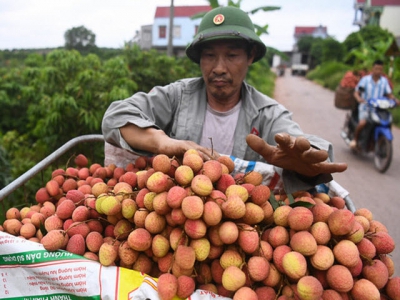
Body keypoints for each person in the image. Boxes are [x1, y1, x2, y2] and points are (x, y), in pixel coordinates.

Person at [102, 6, 347, 193]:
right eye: (209, 55)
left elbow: (304, 146)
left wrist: (303, 164)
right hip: (177, 209)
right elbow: (116, 117)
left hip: (241, 221)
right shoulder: (177, 96)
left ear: (250, 56)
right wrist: (163, 142)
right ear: (199, 59)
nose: (219, 67)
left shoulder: (269, 113)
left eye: (231, 55)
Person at [350, 60, 398, 149]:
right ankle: (355, 140)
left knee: (388, 123)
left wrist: (396, 100)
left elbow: (389, 94)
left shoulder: (384, 81)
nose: (378, 71)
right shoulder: (365, 80)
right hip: (366, 107)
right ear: (373, 68)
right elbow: (356, 92)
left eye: (380, 69)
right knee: (362, 123)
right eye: (376, 69)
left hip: (379, 110)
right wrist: (359, 99)